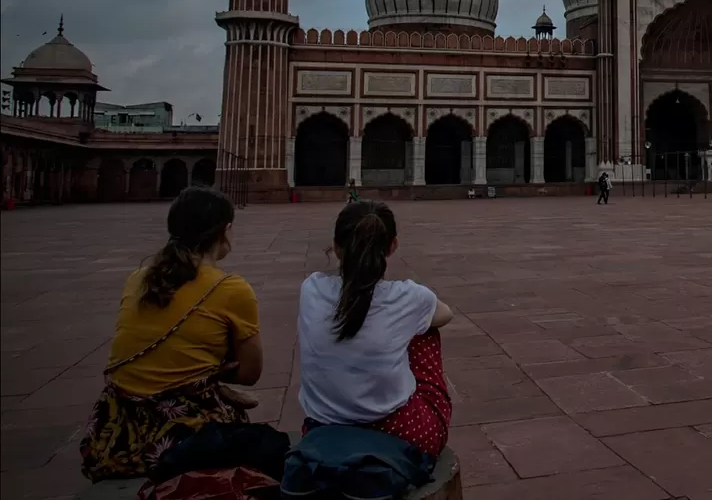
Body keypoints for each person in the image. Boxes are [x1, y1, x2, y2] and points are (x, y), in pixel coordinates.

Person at [81, 186, 264, 482]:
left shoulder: (138, 278)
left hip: (115, 434)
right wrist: (211, 370)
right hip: (183, 436)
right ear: (226, 230)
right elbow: (250, 372)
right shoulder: (230, 288)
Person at [297, 201, 454, 458]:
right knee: (425, 330)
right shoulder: (410, 297)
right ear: (392, 246)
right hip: (400, 434)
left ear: (336, 248)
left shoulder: (311, 288)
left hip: (322, 432)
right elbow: (446, 314)